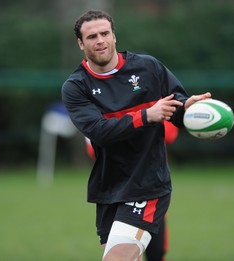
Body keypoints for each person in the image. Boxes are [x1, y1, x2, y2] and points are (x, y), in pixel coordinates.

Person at [61, 10, 211, 261]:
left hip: (146, 185)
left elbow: (176, 108)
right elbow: (99, 131)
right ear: (80, 43)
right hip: (108, 188)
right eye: (92, 36)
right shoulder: (76, 87)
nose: (100, 40)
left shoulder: (148, 67)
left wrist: (189, 109)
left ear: (114, 36)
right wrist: (146, 115)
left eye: (105, 33)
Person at [84, 120, 178, 260]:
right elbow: (93, 150)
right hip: (113, 187)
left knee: (155, 252)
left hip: (147, 185)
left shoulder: (149, 101)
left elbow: (170, 134)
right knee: (125, 252)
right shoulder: (95, 110)